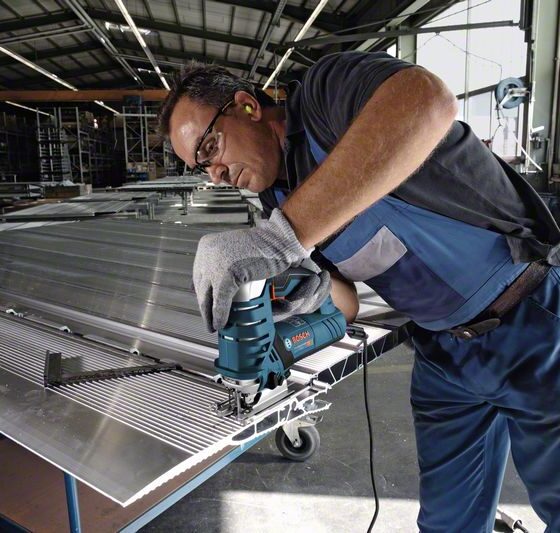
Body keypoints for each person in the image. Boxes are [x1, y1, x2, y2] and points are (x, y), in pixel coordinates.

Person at [158, 51, 560, 532]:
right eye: (200, 167)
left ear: (247, 106)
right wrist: (299, 298)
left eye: (209, 148)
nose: (215, 173)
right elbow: (345, 303)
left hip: (533, 321)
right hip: (444, 355)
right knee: (447, 524)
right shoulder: (279, 200)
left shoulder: (325, 98)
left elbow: (427, 102)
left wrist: (280, 239)